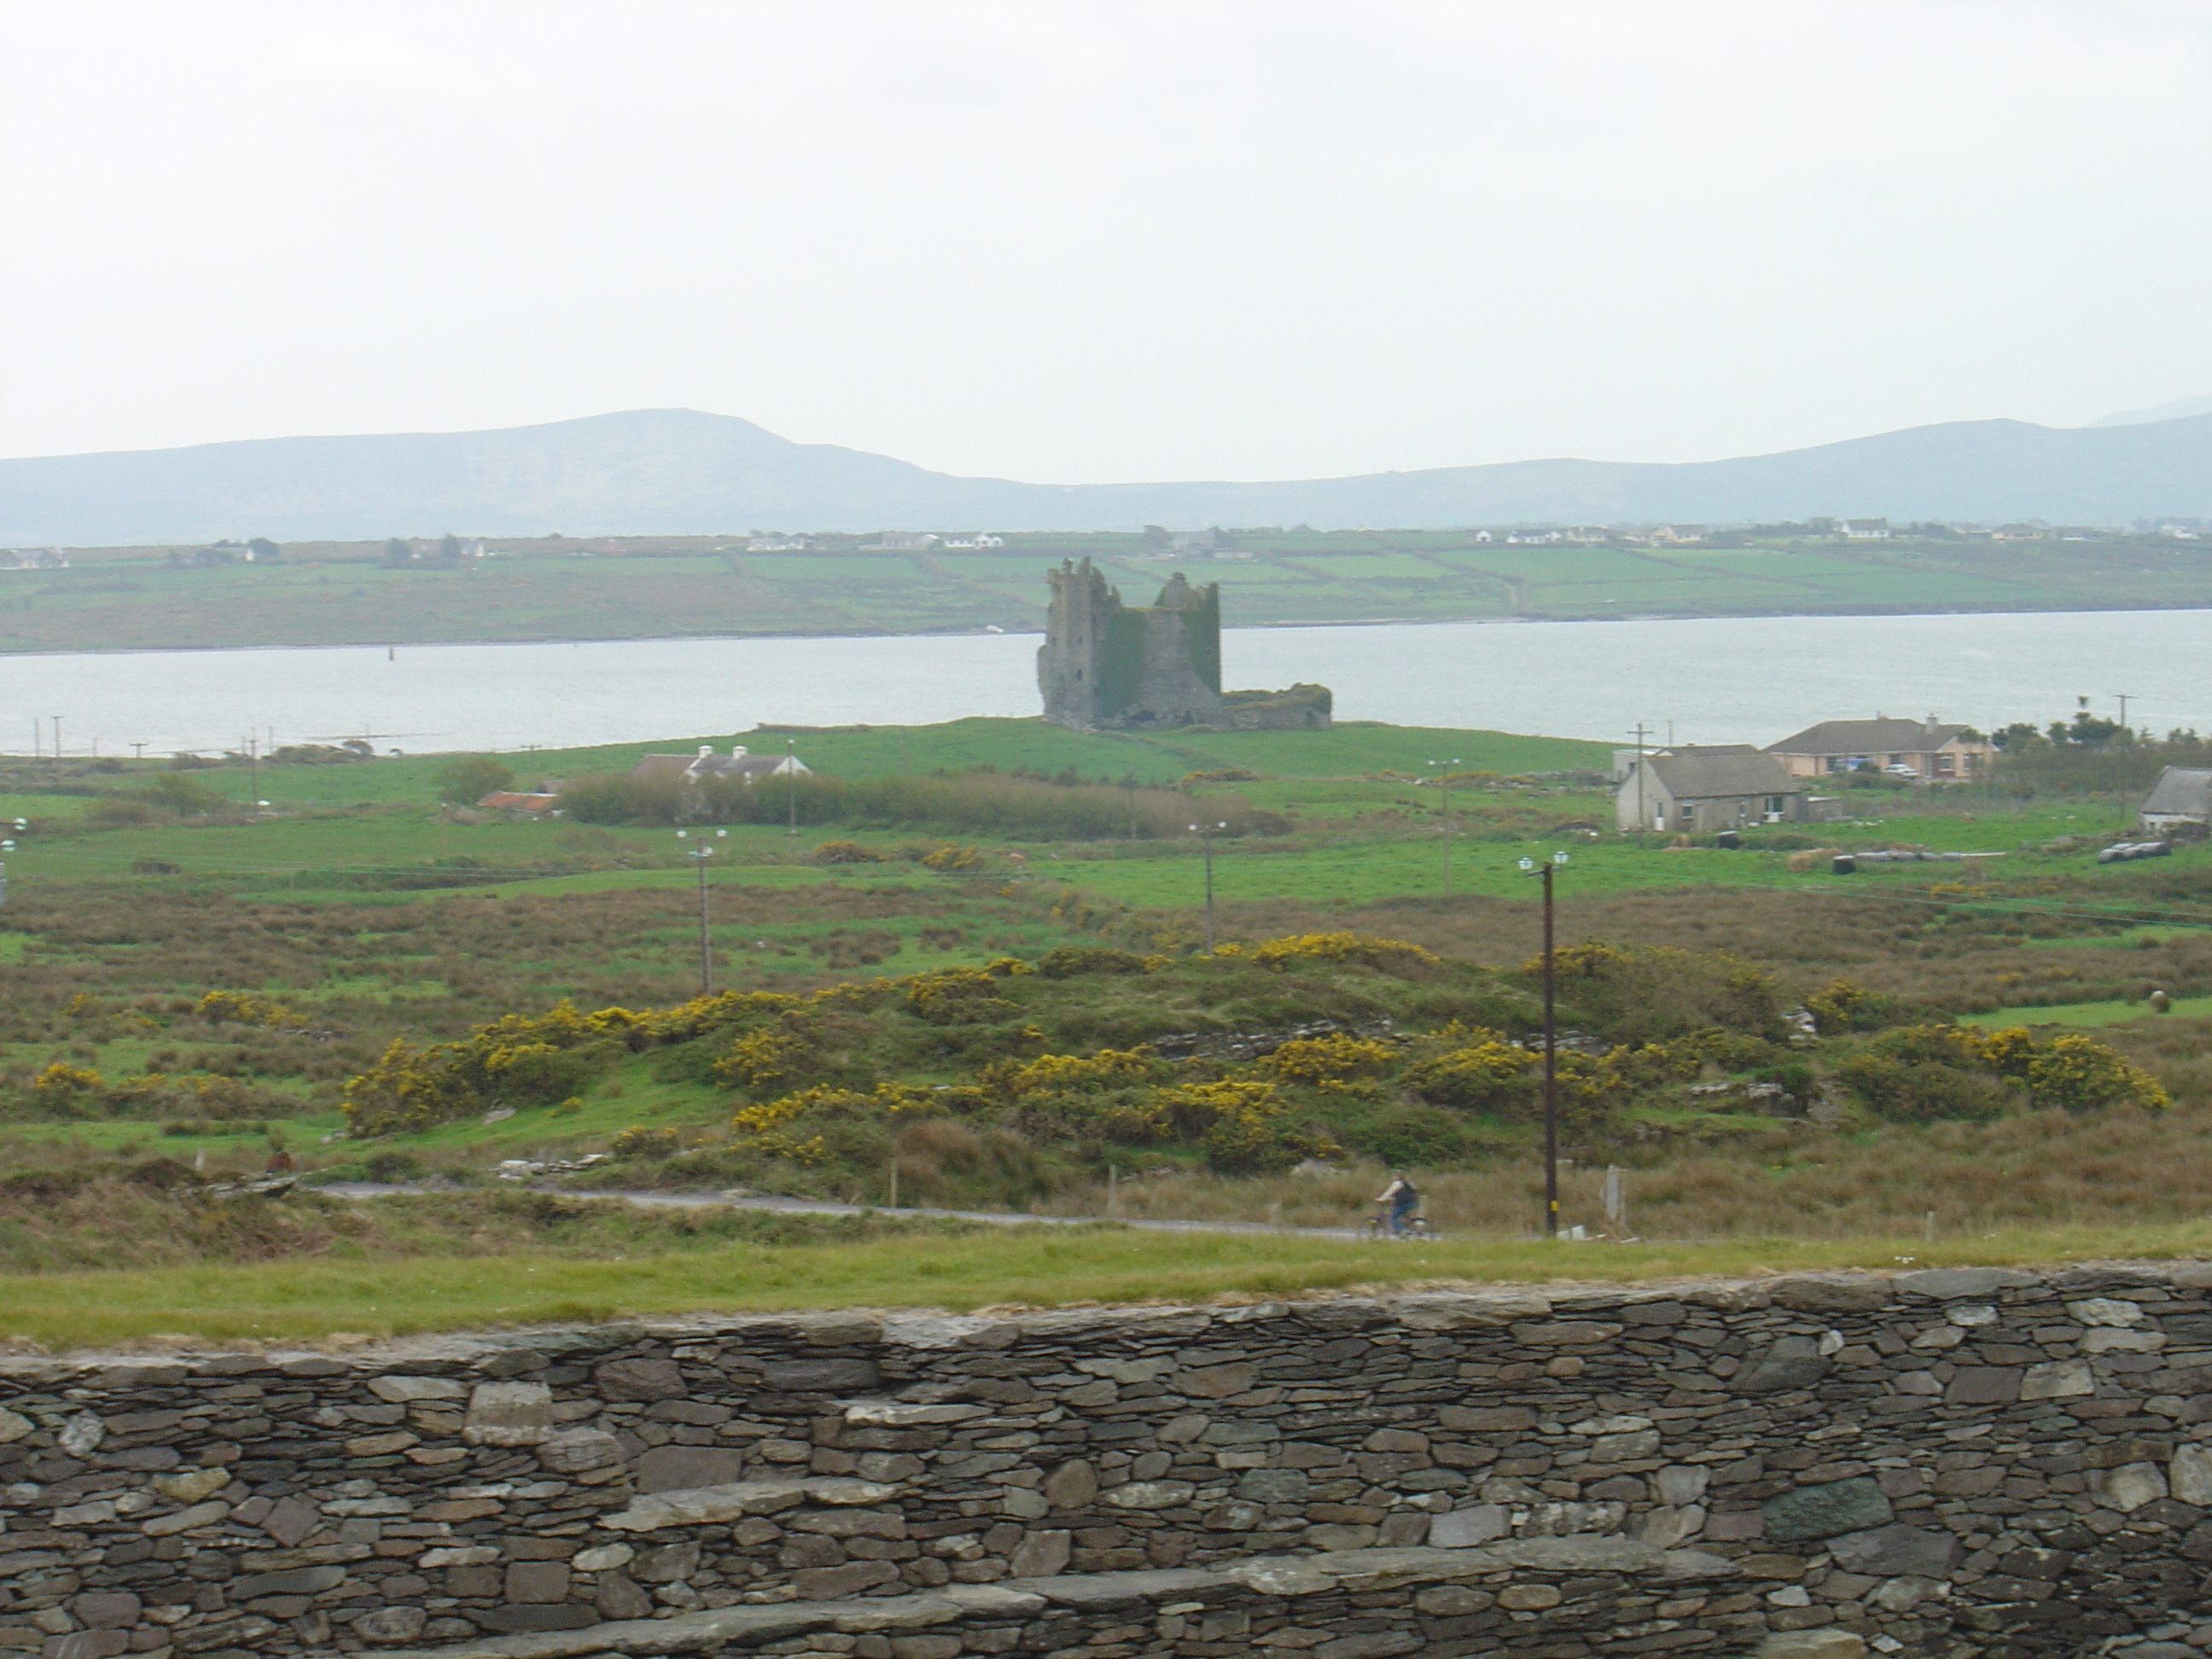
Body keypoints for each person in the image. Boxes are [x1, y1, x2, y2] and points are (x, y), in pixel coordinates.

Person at [1376, 1171, 1419, 1236]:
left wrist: (1381, 1199)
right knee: (1399, 1214)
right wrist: (1390, 1198)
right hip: (1412, 1202)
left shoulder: (1397, 1183)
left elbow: (1389, 1192)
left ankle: (1403, 1230)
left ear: (1397, 1176)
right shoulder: (1407, 1183)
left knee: (1393, 1217)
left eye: (1393, 1176)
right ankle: (1400, 1229)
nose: (1392, 1177)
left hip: (1404, 1203)